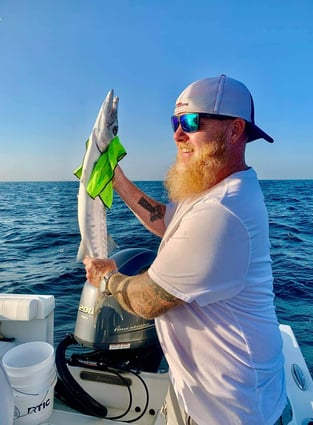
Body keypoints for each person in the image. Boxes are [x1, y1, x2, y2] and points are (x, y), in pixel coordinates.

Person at [83, 74, 287, 425]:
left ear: (235, 130)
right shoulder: (217, 191)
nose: (178, 134)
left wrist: (108, 279)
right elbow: (165, 220)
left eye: (191, 122)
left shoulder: (223, 211)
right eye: (175, 122)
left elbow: (148, 300)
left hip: (230, 413)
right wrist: (115, 177)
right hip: (206, 395)